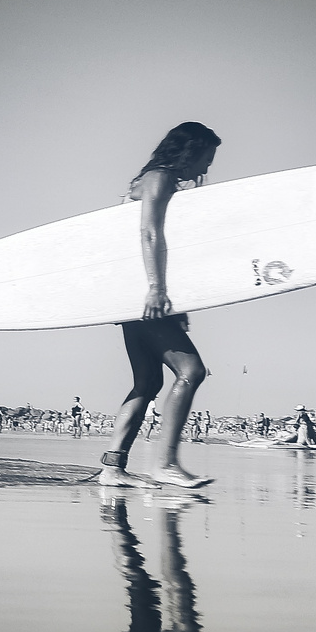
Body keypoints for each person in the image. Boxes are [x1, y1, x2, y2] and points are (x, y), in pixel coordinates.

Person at [99, 122, 221, 488]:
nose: (205, 169)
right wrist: (156, 289)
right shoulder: (159, 178)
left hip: (132, 299)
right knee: (192, 371)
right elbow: (149, 232)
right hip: (144, 297)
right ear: (188, 151)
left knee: (149, 381)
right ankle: (165, 463)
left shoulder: (145, 180)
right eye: (205, 158)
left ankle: (112, 468)